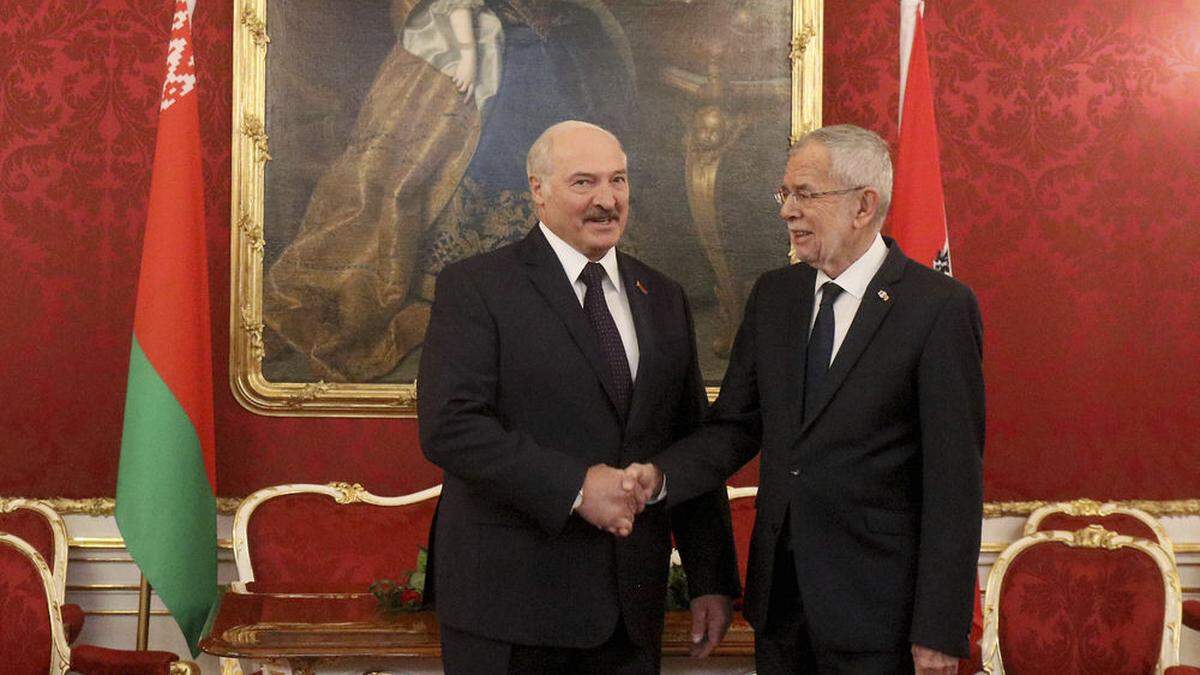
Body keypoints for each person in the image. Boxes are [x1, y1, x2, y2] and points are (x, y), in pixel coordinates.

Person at [627, 124, 985, 675]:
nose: (787, 211)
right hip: (783, 606)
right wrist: (662, 474)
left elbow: (953, 482)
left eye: (805, 195)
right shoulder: (776, 297)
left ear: (864, 205)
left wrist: (938, 627)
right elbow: (735, 427)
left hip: (882, 613)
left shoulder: (937, 309)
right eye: (785, 194)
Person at [417, 120, 740, 674]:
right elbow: (450, 426)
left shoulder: (662, 296)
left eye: (618, 181)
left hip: (629, 610)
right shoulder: (476, 287)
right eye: (584, 183)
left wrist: (710, 580)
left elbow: (688, 439)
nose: (607, 200)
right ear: (537, 190)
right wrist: (574, 488)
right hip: (508, 610)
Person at [263, 0, 634, 382]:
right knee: (488, 132)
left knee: (570, 111)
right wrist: (470, 57)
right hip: (480, 40)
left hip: (556, 38)